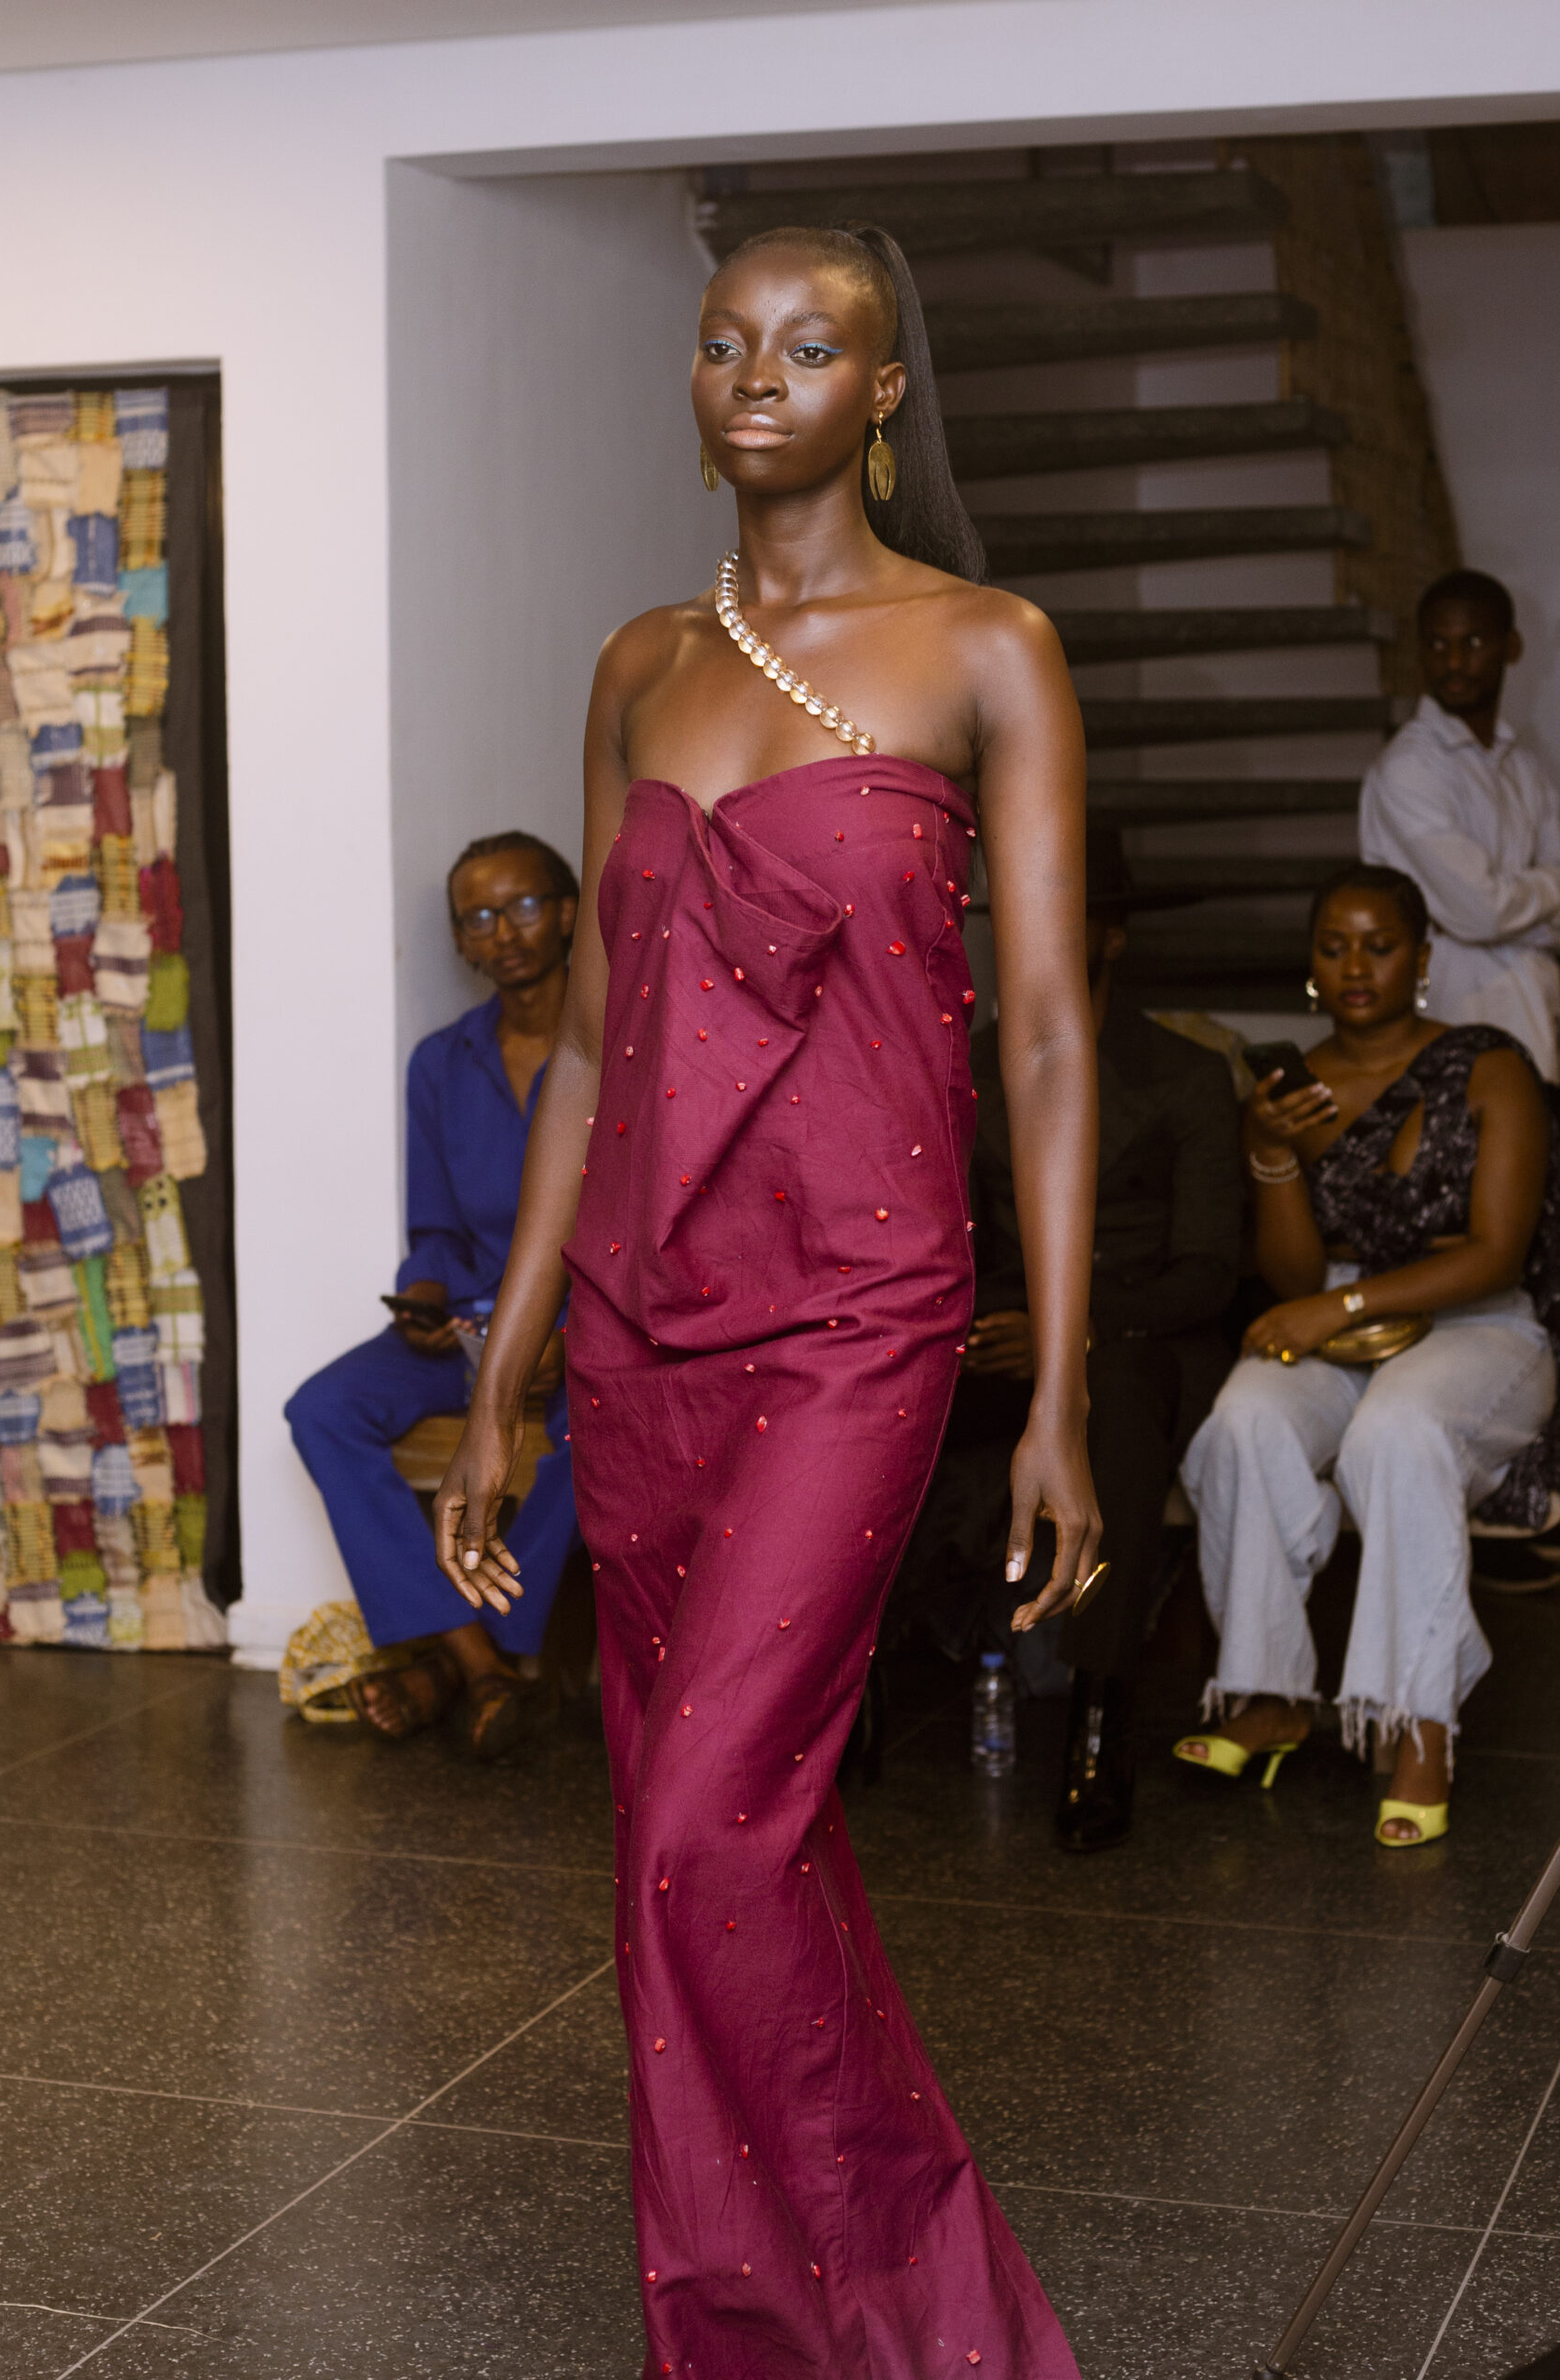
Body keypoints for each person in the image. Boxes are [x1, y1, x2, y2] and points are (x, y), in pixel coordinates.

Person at [434, 225, 1095, 2373]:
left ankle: (920, 2312)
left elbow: (1048, 1036)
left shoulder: (984, 645)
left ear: (882, 391)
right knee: (695, 1834)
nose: (755, 377)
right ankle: (738, 2320)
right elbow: (588, 1043)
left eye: (808, 348)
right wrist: (507, 1362)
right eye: (724, 343)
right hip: (639, 1323)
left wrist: (1059, 1394)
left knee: (711, 1818)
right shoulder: (639, 661)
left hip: (856, 1314)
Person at [1176, 863, 1560, 1845]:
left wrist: (1337, 1305)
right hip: (1336, 1314)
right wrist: (1268, 1151)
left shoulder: (1491, 1067)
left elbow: (1496, 1251)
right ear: (1310, 965)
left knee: (1397, 1431)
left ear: (1420, 959)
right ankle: (1267, 1693)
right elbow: (1292, 1274)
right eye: (1333, 948)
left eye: (1378, 947)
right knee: (1243, 1419)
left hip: (1479, 1323)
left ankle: (1420, 1721)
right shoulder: (1291, 1090)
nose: (1354, 967)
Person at [892, 826, 1241, 1851]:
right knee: (880, 1386)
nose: (1035, 928)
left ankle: (1100, 1712)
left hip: (1142, 1339)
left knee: (1112, 1405)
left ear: (1111, 936)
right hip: (1009, 1329)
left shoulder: (1183, 1074)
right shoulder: (969, 1068)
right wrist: (974, 1333)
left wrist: (1070, 1338)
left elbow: (1208, 1273)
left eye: (1065, 910)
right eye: (1017, 911)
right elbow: (950, 1246)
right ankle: (854, 1687)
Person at [284, 832, 582, 1757]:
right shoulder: (440, 1064)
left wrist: (567, 1334)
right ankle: (477, 1660)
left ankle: (452, 1666)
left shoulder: (622, 1049)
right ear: (458, 941)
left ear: (568, 912)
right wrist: (422, 1293)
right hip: (469, 1325)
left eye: (522, 906)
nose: (503, 932)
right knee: (323, 1409)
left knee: (609, 1427)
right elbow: (441, 1232)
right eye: (477, 918)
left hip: (581, 1327)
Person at [1359, 567, 1560, 1087]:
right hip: (1450, 1043)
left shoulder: (1523, 768)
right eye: (1436, 645)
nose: (1453, 662)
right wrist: (1550, 887)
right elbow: (1480, 913)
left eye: (1471, 643)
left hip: (1542, 1041)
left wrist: (1509, 906)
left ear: (1510, 647)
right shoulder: (1410, 767)